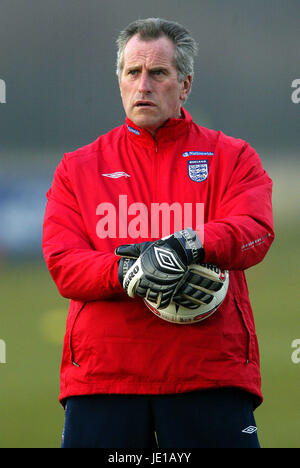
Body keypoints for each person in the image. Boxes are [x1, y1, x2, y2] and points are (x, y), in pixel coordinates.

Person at [42, 18, 274, 449]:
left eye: (158, 73)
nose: (143, 85)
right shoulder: (77, 167)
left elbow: (254, 231)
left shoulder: (233, 157)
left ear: (184, 85)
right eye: (133, 72)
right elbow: (63, 264)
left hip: (209, 374)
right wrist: (130, 271)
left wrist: (187, 246)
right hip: (104, 378)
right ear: (119, 80)